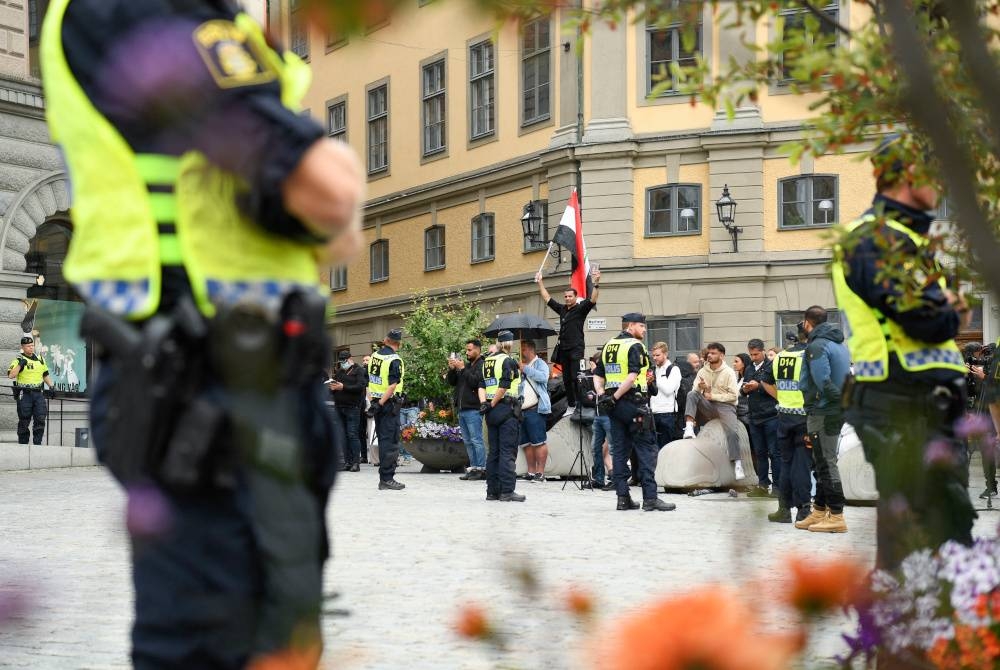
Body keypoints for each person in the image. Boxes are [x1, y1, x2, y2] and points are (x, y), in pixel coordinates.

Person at [42, 1, 365, 666]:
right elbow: (327, 194)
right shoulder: (149, 12)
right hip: (200, 382)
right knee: (211, 642)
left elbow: (337, 228)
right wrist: (326, 165)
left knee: (274, 635)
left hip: (240, 378)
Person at [833, 133, 973, 569]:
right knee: (927, 519)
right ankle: (909, 619)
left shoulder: (905, 238)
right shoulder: (873, 238)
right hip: (899, 395)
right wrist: (948, 310)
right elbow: (929, 318)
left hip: (922, 397)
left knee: (937, 518)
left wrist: (947, 308)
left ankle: (914, 617)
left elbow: (950, 309)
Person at [593, 313, 675, 512]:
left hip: (614, 407)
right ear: (630, 326)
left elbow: (597, 374)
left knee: (620, 452)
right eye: (641, 326)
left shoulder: (609, 345)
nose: (644, 329)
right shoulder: (635, 346)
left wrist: (604, 396)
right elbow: (631, 377)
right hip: (633, 403)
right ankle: (650, 498)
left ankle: (623, 498)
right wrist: (615, 397)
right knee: (646, 450)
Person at [798, 306, 851, 533]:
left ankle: (837, 515)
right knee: (821, 462)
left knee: (826, 463)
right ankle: (819, 511)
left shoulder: (817, 346)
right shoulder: (838, 343)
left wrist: (839, 401)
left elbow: (822, 381)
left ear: (807, 323)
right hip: (831, 410)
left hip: (823, 411)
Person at [535, 268, 601, 410]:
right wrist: (540, 282)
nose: (567, 298)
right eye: (565, 297)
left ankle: (579, 404)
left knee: (575, 377)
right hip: (563, 349)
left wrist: (596, 283)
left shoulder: (581, 308)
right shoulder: (562, 309)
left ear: (575, 298)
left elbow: (593, 299)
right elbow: (547, 299)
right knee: (566, 379)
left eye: (570, 296)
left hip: (576, 348)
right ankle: (571, 405)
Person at [767, 329, 813, 525]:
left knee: (786, 463)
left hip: (784, 416)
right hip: (803, 416)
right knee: (802, 464)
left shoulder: (780, 357)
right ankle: (804, 510)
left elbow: (767, 381)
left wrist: (781, 398)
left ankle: (783, 510)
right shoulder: (808, 356)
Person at [681, 343, 746, 480]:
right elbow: (695, 392)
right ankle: (688, 428)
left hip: (726, 406)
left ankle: (737, 463)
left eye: (713, 353)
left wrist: (714, 396)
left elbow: (734, 396)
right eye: (709, 353)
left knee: (732, 432)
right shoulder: (702, 371)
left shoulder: (728, 372)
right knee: (692, 395)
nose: (709, 355)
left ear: (721, 355)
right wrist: (701, 387)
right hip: (708, 406)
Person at [478, 331, 525, 502]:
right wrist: (493, 403)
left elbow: (481, 384)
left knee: (494, 453)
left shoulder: (487, 361)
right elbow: (504, 386)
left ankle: (492, 491)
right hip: (505, 408)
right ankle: (507, 490)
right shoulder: (508, 361)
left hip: (491, 411)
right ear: (510, 343)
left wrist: (485, 403)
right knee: (507, 452)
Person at [368, 329, 407, 491]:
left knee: (384, 439)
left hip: (377, 403)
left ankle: (385, 477)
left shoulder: (374, 357)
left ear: (385, 340)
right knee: (390, 442)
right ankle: (387, 478)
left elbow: (369, 381)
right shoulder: (394, 360)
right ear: (398, 343)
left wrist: (373, 403)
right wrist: (382, 403)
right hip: (388, 404)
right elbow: (392, 385)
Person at [743, 338, 779, 498]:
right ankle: (763, 484)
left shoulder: (771, 366)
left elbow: (776, 390)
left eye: (756, 354)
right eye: (751, 354)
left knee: (774, 453)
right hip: (754, 416)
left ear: (763, 351)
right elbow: (743, 391)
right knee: (759, 453)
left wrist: (758, 386)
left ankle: (778, 486)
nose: (753, 357)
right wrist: (745, 388)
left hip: (771, 415)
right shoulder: (749, 368)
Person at [447, 339, 487, 481]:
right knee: (468, 441)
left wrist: (463, 369)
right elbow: (452, 382)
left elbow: (476, 382)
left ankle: (481, 469)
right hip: (462, 409)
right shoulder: (468, 365)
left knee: (476, 440)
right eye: (466, 350)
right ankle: (473, 468)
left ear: (478, 350)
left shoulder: (482, 364)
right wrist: (452, 369)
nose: (467, 352)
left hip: (473, 408)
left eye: (470, 350)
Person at [8, 336, 55, 445]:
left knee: (40, 419)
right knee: (24, 421)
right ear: (22, 347)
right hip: (25, 394)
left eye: (32, 345)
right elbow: (11, 375)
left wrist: (52, 386)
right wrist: (20, 364)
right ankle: (23, 446)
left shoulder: (40, 359)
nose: (31, 348)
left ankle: (37, 445)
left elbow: (45, 375)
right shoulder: (18, 359)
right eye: (28, 346)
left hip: (38, 394)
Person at [518, 340, 551, 481]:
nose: (522, 352)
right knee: (526, 443)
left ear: (531, 350)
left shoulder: (540, 364)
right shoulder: (521, 366)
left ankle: (540, 473)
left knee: (538, 441)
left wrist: (525, 369)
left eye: (523, 349)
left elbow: (543, 377)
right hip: (522, 410)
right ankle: (531, 472)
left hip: (535, 409)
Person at [331, 351, 367, 472]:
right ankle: (347, 461)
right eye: (341, 361)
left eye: (344, 361)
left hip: (353, 407)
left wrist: (343, 387)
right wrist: (331, 387)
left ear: (350, 359)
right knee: (343, 435)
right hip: (339, 406)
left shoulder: (359, 370)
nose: (342, 363)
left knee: (352, 435)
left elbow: (360, 387)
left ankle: (356, 462)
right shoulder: (340, 372)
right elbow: (335, 386)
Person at [588, 353, 614, 490]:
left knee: (613, 448)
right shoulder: (596, 376)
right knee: (595, 448)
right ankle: (598, 479)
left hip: (608, 415)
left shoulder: (608, 372)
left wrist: (595, 371)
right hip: (598, 415)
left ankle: (616, 479)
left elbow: (604, 386)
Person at [649, 341, 682, 447]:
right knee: (654, 448)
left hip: (667, 414)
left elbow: (668, 390)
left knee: (665, 448)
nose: (654, 358)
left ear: (665, 354)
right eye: (653, 355)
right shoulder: (654, 370)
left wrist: (655, 379)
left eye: (657, 355)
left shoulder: (674, 369)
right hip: (653, 413)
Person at [733, 353, 752, 429]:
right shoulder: (738, 380)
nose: (734, 364)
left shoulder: (749, 379)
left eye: (736, 361)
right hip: (737, 415)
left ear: (743, 364)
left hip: (745, 417)